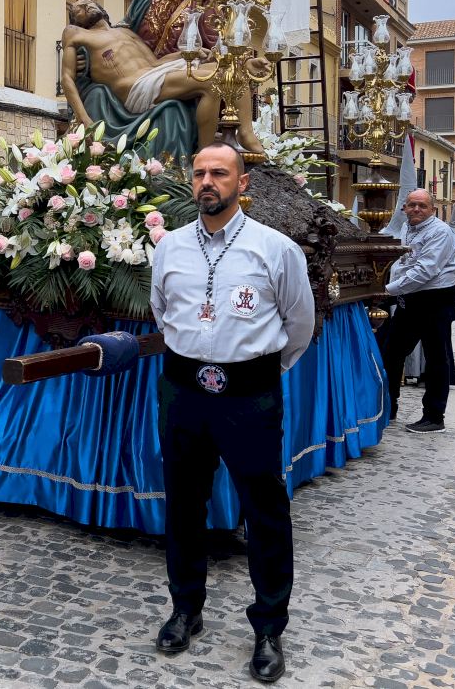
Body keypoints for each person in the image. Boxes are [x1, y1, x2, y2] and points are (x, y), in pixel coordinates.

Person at [149, 142, 314, 682]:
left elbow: (299, 325)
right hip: (183, 391)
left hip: (248, 395)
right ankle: (185, 608)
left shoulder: (276, 249)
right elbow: (162, 312)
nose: (207, 181)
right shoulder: (170, 248)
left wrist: (254, 370)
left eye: (219, 173)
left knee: (264, 509)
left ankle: (269, 627)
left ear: (242, 183)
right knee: (183, 503)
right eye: (199, 172)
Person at [62, 0, 267, 153]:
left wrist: (188, 53)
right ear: (74, 20)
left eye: (89, 2)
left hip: (154, 74)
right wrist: (84, 118)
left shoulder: (126, 33)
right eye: (78, 8)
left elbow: (155, 63)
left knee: (230, 70)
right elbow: (67, 78)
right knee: (211, 81)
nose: (86, 6)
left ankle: (246, 132)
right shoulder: (75, 33)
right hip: (135, 88)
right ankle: (203, 154)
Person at [380, 189, 455, 433]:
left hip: (435, 299)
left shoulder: (440, 232)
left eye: (422, 205)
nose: (416, 209)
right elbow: (404, 263)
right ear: (404, 207)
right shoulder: (407, 227)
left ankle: (434, 416)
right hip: (410, 298)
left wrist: (387, 291)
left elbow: (425, 270)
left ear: (432, 209)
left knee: (436, 358)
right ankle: (388, 406)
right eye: (412, 204)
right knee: (392, 353)